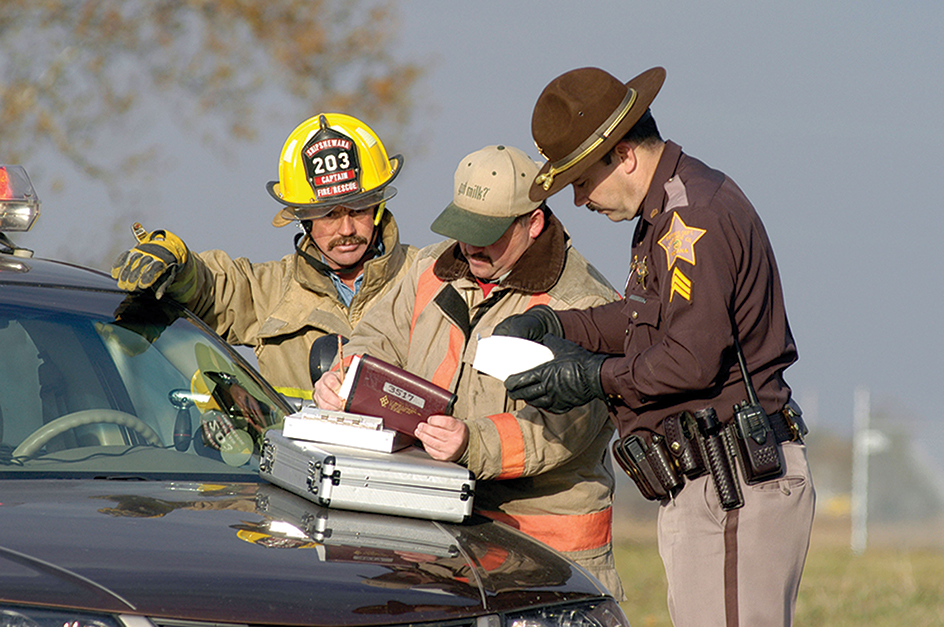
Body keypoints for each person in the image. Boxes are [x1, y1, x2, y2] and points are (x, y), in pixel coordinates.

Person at [496, 67, 815, 626]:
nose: (576, 198)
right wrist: (557, 325)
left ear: (622, 155)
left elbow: (690, 359)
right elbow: (643, 320)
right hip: (715, 484)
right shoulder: (666, 211)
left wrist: (590, 377)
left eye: (580, 179)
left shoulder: (693, 216)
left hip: (736, 481)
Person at [314, 144, 624, 598]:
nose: (472, 244)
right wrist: (345, 375)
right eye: (464, 227)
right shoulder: (428, 269)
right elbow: (378, 335)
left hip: (547, 555)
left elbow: (562, 427)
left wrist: (470, 442)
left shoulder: (586, 306)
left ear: (533, 224)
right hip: (432, 532)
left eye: (489, 232)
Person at [111, 113, 417, 406]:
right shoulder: (270, 291)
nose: (347, 229)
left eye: (358, 209)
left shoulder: (428, 278)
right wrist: (175, 261)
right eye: (329, 214)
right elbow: (213, 288)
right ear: (304, 220)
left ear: (378, 207)